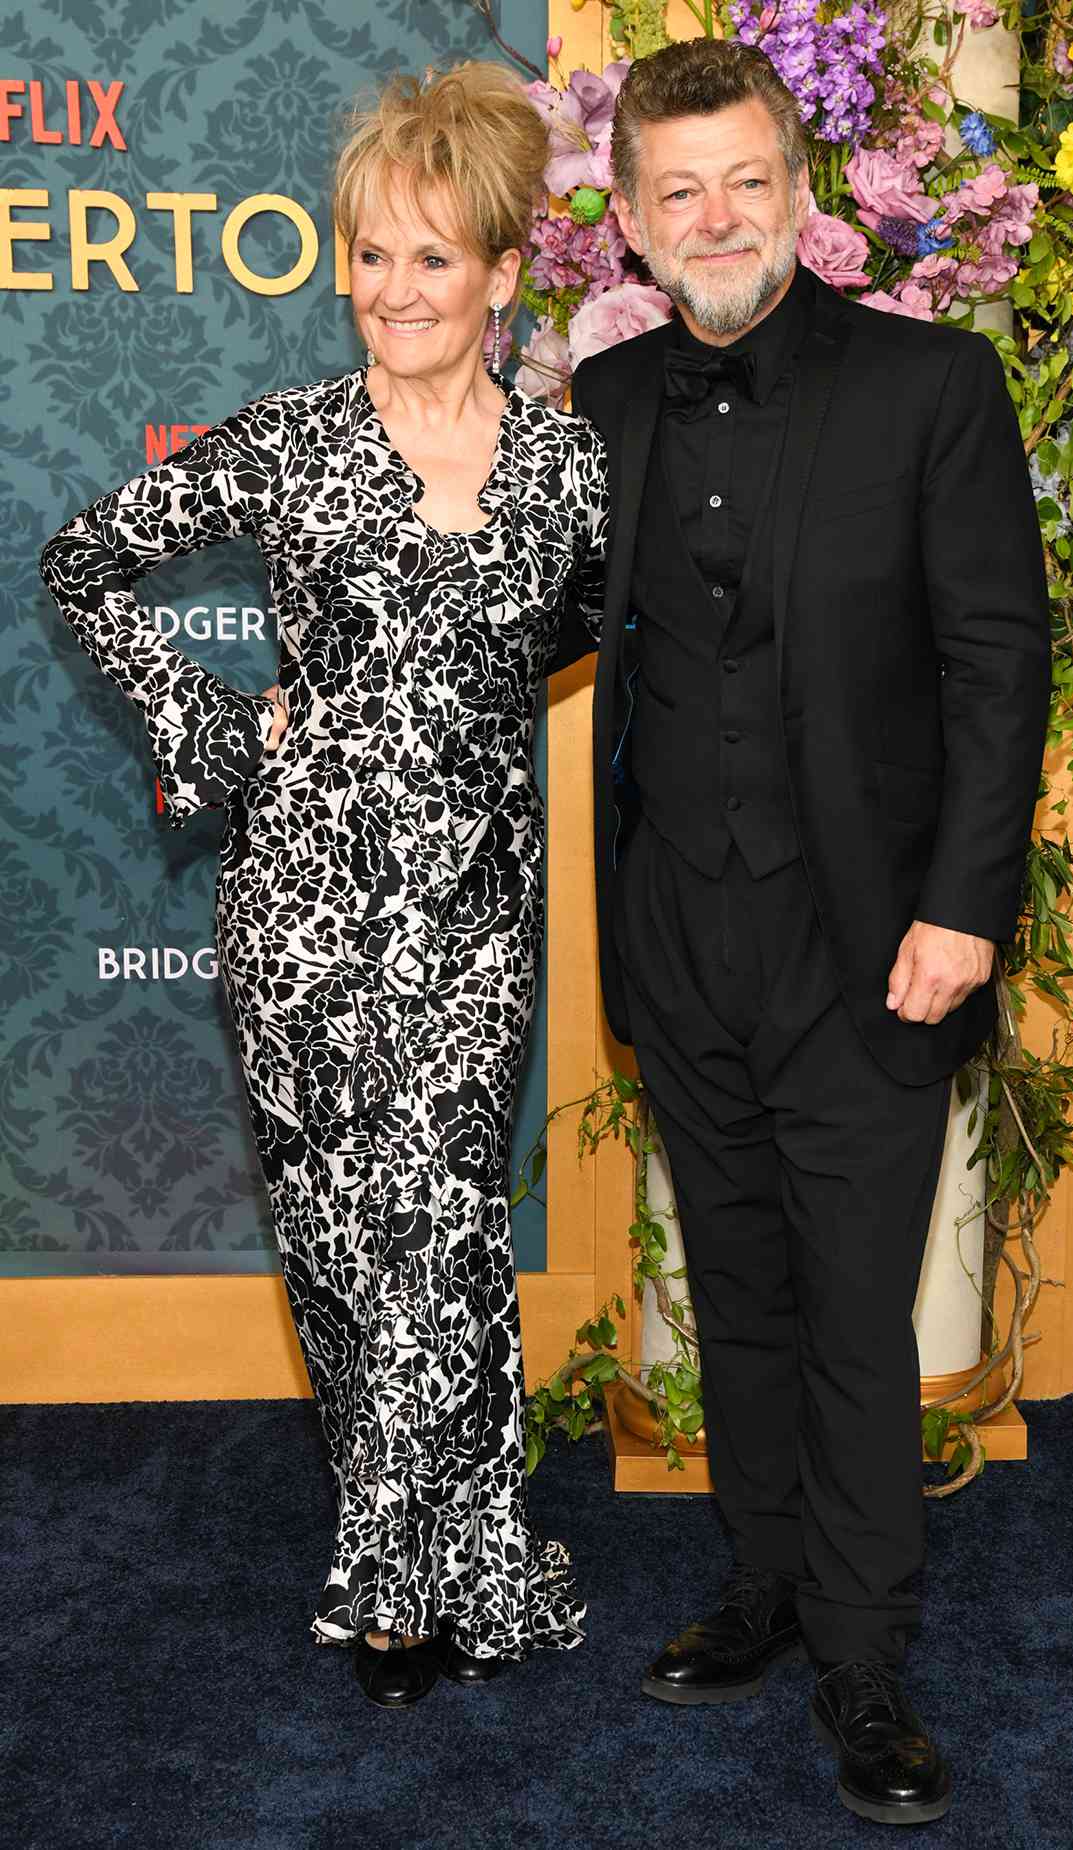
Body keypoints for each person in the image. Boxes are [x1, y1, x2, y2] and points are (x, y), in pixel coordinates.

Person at [40, 62, 606, 1710]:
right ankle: (391, 1563)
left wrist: (461, 718)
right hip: (298, 903)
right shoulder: (288, 446)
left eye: (431, 258)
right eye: (369, 255)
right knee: (344, 1242)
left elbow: (571, 635)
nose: (392, 290)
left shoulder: (572, 472)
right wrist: (215, 724)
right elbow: (87, 559)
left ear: (503, 276)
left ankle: (469, 1557)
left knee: (445, 1223)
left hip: (477, 908)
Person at [561, 38, 1050, 1827]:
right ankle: (766, 1581)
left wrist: (961, 911)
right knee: (741, 1290)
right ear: (625, 220)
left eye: (744, 179)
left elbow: (1002, 662)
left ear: (802, 190)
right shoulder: (599, 412)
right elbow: (510, 627)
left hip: (875, 944)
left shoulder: (935, 387)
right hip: (678, 936)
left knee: (854, 1309)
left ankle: (864, 1655)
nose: (714, 217)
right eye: (675, 189)